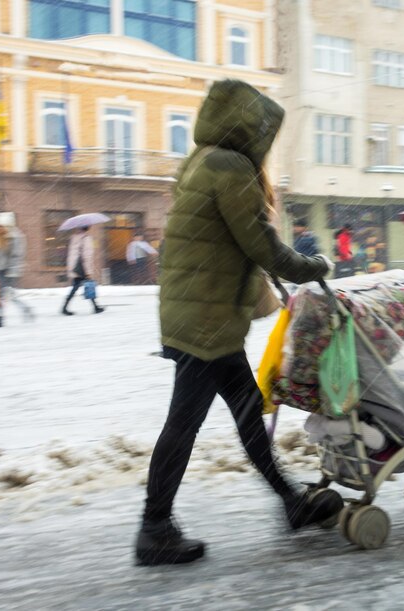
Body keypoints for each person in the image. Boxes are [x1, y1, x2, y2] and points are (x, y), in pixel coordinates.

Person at [136, 79, 341, 567]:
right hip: (205, 323)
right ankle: (154, 528)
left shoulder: (204, 160)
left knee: (248, 412)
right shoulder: (230, 167)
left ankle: (291, 503)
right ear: (251, 128)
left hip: (202, 316)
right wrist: (314, 267)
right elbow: (260, 243)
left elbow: (235, 243)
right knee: (184, 425)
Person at [0, 211, 34, 328]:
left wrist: (12, 272)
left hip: (8, 271)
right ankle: (2, 318)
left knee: (7, 295)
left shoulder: (15, 237)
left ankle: (4, 318)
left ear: (6, 226)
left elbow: (16, 256)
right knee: (2, 295)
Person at [61, 226, 104, 315]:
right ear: (87, 228)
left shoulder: (73, 238)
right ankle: (95, 307)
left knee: (78, 287)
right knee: (89, 286)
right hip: (82, 267)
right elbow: (86, 257)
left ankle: (65, 307)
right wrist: (88, 271)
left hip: (75, 267)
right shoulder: (86, 239)